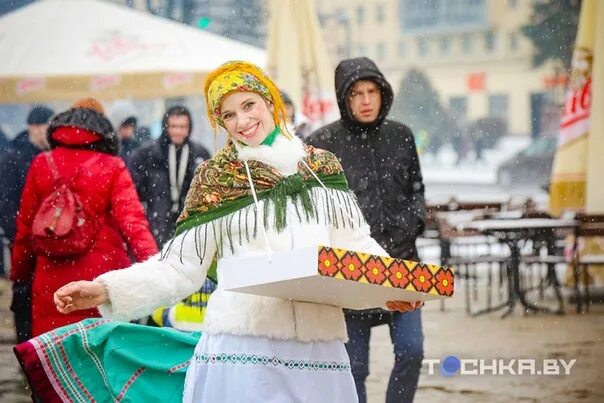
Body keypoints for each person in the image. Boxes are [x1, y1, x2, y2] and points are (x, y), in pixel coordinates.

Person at [14, 61, 422, 402]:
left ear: (270, 102)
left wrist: (390, 285)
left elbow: (355, 243)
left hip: (321, 348)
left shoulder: (321, 166)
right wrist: (107, 290)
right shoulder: (217, 178)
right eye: (228, 114)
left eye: (249, 105)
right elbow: (179, 267)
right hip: (245, 348)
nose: (242, 121)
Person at [307, 56, 426, 403]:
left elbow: (417, 189)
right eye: (356, 93)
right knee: (354, 367)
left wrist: (413, 223)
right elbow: (315, 206)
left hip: (404, 265)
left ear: (383, 92)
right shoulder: (324, 142)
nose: (366, 100)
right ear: (344, 99)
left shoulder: (401, 135)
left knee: (412, 351)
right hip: (352, 273)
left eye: (372, 91)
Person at [9, 98, 158, 337]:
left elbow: (25, 227)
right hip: (102, 279)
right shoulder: (113, 166)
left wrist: (20, 273)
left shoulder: (42, 163)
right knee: (102, 358)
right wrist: (154, 267)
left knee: (57, 356)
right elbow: (133, 222)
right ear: (103, 130)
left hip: (51, 280)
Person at [0, 105, 54, 343]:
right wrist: (18, 234)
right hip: (23, 238)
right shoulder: (14, 156)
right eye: (46, 126)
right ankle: (26, 344)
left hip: (49, 239)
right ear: (34, 127)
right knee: (23, 294)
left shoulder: (50, 155)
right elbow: (7, 202)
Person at [128, 105, 211, 246]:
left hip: (189, 223)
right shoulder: (146, 155)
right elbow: (134, 191)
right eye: (173, 126)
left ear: (189, 128)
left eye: (182, 126)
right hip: (156, 223)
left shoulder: (200, 154)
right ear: (165, 127)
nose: (178, 131)